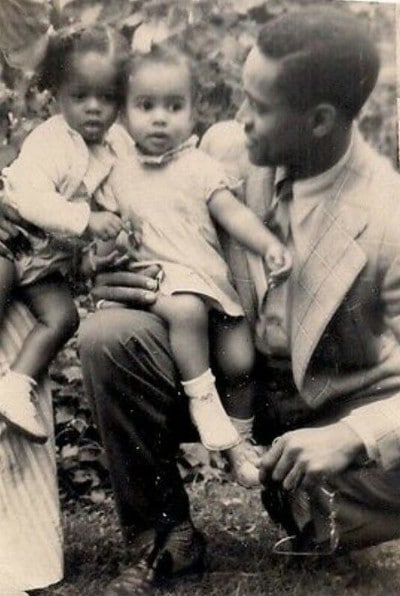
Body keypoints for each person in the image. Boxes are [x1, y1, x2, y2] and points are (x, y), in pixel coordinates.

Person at [78, 5, 400, 594]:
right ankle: (165, 538)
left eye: (259, 106)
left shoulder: (387, 218)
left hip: (324, 408)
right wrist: (108, 267)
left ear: (321, 119)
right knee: (109, 336)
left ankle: (312, 499)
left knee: (380, 448)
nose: (239, 120)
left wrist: (352, 437)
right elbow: (150, 213)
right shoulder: (223, 153)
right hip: (221, 367)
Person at [102, 43, 292, 487]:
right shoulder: (117, 172)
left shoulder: (201, 167)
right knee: (186, 310)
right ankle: (201, 396)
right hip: (161, 284)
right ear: (125, 114)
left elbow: (235, 214)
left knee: (241, 360)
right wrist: (104, 251)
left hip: (209, 281)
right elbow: (102, 229)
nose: (160, 118)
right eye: (145, 106)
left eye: (174, 106)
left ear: (193, 113)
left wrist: (268, 246)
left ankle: (237, 444)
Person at [0, 24, 132, 443]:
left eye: (107, 97)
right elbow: (31, 200)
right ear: (57, 95)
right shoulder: (51, 140)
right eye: (80, 96)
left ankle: (15, 386)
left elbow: (122, 202)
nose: (94, 108)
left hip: (46, 262)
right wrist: (85, 220)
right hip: (13, 238)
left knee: (63, 317)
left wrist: (103, 249)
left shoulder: (116, 148)